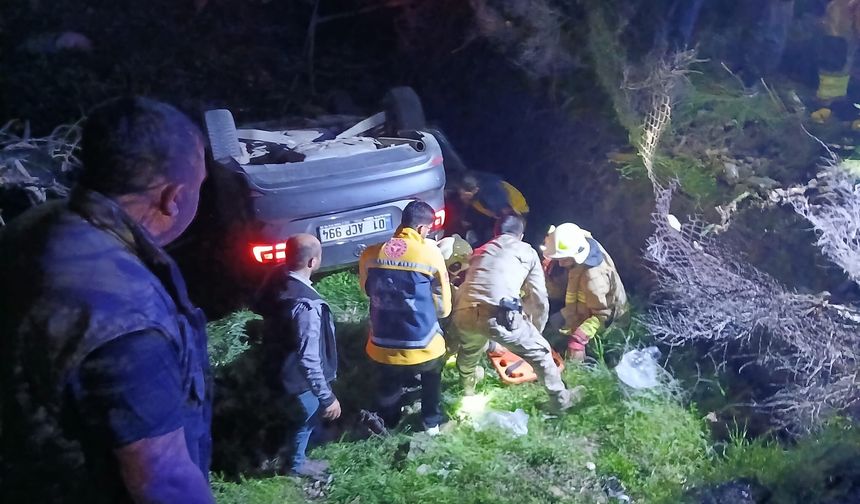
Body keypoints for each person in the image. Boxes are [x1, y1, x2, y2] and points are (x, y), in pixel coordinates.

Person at [0, 97, 213, 503]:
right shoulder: (129, 321)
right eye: (200, 186)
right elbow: (162, 479)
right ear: (173, 197)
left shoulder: (32, 227)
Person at [452, 214, 582, 411]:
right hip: (497, 314)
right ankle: (561, 401)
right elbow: (538, 297)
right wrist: (535, 330)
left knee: (470, 350)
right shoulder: (526, 252)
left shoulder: (480, 251)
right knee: (541, 354)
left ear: (496, 233)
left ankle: (467, 389)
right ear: (520, 235)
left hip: (463, 313)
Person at [359, 200, 452, 434]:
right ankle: (432, 421)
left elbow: (365, 289)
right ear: (422, 229)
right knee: (433, 368)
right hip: (421, 346)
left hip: (380, 346)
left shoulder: (371, 253)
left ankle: (388, 418)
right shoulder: (430, 254)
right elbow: (444, 305)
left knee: (387, 374)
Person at [253, 234, 340, 479]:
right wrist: (328, 398)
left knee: (291, 413)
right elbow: (309, 359)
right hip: (296, 378)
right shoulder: (309, 306)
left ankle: (294, 442)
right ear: (312, 262)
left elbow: (258, 304)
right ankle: (296, 465)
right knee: (308, 417)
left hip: (272, 362)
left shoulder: (276, 275)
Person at [542, 223, 628, 362]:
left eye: (564, 259)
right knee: (553, 323)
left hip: (607, 320)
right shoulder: (579, 241)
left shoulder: (592, 278)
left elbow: (602, 315)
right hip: (581, 306)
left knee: (577, 346)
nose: (561, 264)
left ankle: (579, 369)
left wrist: (579, 338)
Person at [447, 171, 529, 246]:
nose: (462, 197)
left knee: (491, 236)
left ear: (475, 190)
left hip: (515, 211)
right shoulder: (471, 179)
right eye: (461, 193)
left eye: (465, 195)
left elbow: (509, 214)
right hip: (490, 206)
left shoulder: (491, 197)